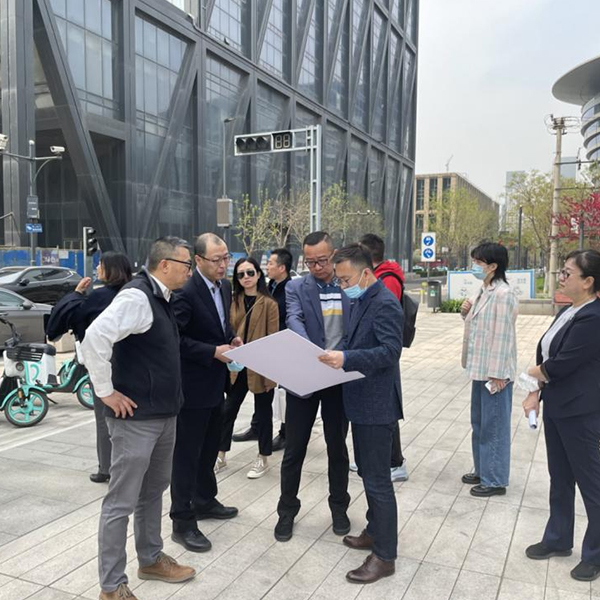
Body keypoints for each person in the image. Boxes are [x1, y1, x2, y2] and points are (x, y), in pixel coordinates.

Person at [80, 237, 196, 600]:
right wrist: (105, 392)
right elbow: (93, 339)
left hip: (163, 414)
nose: (190, 271)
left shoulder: (162, 297)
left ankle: (150, 559)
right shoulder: (137, 297)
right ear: (165, 264)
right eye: (187, 265)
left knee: (153, 491)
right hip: (135, 420)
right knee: (121, 502)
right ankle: (111, 586)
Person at [319, 243, 403, 584]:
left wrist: (347, 359)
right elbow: (355, 342)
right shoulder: (361, 299)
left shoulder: (384, 303)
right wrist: (334, 355)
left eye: (346, 279)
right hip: (360, 400)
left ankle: (384, 556)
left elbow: (390, 352)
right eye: (339, 280)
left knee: (378, 481)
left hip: (377, 405)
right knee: (368, 473)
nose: (342, 286)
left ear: (366, 273)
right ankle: (374, 530)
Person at [522, 250, 600, 582]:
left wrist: (528, 375)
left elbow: (561, 364)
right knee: (560, 478)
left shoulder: (593, 317)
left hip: (581, 412)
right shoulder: (568, 311)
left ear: (588, 281)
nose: (561, 277)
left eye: (568, 272)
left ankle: (595, 554)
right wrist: (535, 390)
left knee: (592, 484)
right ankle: (558, 538)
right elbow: (547, 354)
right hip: (557, 406)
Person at [275, 231, 351, 542]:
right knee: (294, 449)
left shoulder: (348, 285)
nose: (317, 267)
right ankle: (286, 512)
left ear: (333, 255)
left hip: (338, 376)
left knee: (337, 448)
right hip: (305, 376)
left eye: (322, 260)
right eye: (310, 262)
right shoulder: (296, 287)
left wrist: (339, 357)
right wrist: (312, 352)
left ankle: (339, 507)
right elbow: (293, 319)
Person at [169, 233, 240, 553]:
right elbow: (176, 339)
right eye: (217, 260)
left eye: (226, 258)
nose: (224, 265)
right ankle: (182, 521)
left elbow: (219, 325)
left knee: (210, 446)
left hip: (216, 384)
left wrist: (231, 339)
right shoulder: (185, 291)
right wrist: (212, 351)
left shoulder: (223, 287)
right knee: (187, 455)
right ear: (198, 260)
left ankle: (205, 500)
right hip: (192, 387)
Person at [46, 252, 132, 484]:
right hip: (134, 365)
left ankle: (106, 467)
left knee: (104, 418)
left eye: (101, 266)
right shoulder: (134, 294)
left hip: (104, 365)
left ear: (110, 269)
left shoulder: (99, 297)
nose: (97, 269)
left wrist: (76, 293)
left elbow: (68, 318)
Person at [460, 242, 518, 497]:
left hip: (494, 373)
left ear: (493, 266)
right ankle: (483, 469)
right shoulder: (484, 290)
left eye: (478, 262)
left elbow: (503, 336)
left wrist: (497, 375)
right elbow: (479, 324)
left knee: (494, 427)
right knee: (480, 423)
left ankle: (494, 479)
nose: (474, 266)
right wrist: (465, 312)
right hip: (480, 368)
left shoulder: (503, 294)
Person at [218, 257, 279, 479]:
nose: (246, 277)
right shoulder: (233, 301)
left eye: (250, 272)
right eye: (241, 274)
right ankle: (220, 455)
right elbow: (227, 329)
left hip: (261, 366)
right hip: (238, 365)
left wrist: (270, 371)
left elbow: (273, 339)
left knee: (263, 412)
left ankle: (263, 457)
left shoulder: (269, 304)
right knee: (228, 410)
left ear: (258, 274)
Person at [358, 233, 408, 482]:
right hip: (372, 357)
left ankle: (394, 462)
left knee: (386, 412)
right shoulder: (382, 275)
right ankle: (382, 460)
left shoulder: (386, 281)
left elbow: (385, 321)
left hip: (381, 357)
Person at [232, 248, 292, 451]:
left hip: (275, 351)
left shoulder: (286, 291)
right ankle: (255, 429)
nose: (268, 266)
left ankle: (282, 436)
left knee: (275, 398)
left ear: (281, 267)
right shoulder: (269, 287)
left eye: (271, 263)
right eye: (241, 274)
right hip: (248, 354)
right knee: (240, 403)